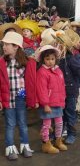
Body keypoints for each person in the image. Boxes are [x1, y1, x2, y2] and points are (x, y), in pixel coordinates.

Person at [0, 31, 37, 160]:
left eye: (7, 44)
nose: (4, 47)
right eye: (3, 44)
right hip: (8, 98)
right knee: (10, 124)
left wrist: (33, 99)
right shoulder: (1, 63)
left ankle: (24, 145)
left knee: (22, 123)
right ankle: (10, 147)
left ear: (16, 46)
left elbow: (31, 83)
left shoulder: (27, 62)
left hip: (21, 97)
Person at [58, 29, 80, 144]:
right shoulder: (55, 60)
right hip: (58, 92)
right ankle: (59, 133)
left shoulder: (70, 59)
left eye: (60, 44)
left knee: (70, 112)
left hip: (70, 91)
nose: (57, 46)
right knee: (60, 113)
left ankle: (71, 133)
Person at [36, 45, 67, 154]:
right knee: (47, 125)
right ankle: (46, 143)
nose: (50, 61)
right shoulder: (41, 72)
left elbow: (62, 87)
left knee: (59, 123)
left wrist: (63, 101)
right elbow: (41, 90)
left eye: (52, 59)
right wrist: (45, 104)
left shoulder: (58, 71)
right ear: (43, 59)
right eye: (47, 59)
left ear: (56, 59)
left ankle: (58, 141)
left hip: (58, 103)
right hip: (48, 105)